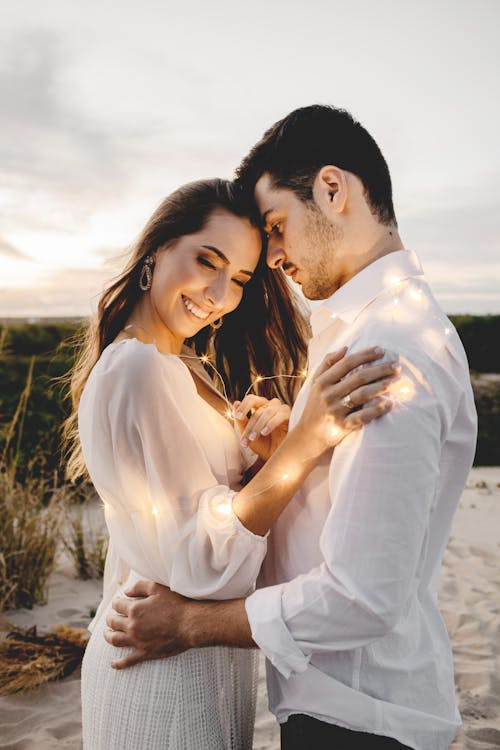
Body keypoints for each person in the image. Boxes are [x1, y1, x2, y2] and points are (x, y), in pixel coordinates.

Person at [106, 107, 478, 750]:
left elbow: (362, 596)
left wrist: (190, 625)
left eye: (276, 227)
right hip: (337, 703)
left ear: (334, 190)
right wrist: (300, 453)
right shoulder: (365, 332)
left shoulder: (390, 350)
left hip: (362, 717)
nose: (273, 256)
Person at [68, 177, 396, 749]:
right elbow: (200, 559)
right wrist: (306, 440)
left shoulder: (183, 366)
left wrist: (263, 455)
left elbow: (190, 519)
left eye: (240, 278)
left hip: (195, 662)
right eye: (206, 260)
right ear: (158, 249)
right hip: (158, 674)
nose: (218, 292)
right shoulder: (138, 370)